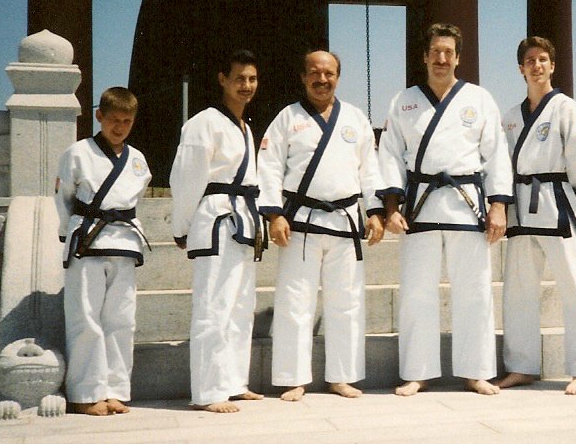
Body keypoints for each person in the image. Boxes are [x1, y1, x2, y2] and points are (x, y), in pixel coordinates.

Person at [377, 23, 512, 396]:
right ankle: (417, 372)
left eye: (448, 52)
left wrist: (498, 206)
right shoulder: (404, 101)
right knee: (416, 292)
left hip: (466, 205)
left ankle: (476, 371)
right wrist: (391, 207)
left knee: (474, 291)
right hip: (419, 207)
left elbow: (496, 155)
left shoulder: (479, 99)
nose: (441, 59)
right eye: (435, 52)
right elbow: (389, 156)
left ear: (458, 58)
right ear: (424, 56)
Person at [257, 51, 384, 402]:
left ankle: (342, 377)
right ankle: (293, 378)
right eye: (314, 73)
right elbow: (269, 167)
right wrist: (274, 215)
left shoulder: (355, 119)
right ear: (303, 77)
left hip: (345, 221)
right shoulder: (287, 118)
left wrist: (375, 211)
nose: (322, 79)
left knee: (347, 303)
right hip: (301, 222)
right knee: (295, 302)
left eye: (329, 73)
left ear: (338, 77)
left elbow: (369, 170)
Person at [497, 37, 576, 395]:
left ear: (552, 66)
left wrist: (568, 188)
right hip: (521, 206)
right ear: (521, 69)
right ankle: (521, 366)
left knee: (574, 286)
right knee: (518, 291)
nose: (537, 66)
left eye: (543, 59)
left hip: (555, 202)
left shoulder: (566, 107)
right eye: (530, 60)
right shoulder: (511, 117)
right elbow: (501, 162)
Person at [170, 49, 266, 412]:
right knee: (213, 306)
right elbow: (186, 178)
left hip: (243, 219)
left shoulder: (245, 127)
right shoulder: (203, 123)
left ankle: (234, 382)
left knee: (240, 306)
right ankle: (209, 391)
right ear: (222, 79)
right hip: (216, 220)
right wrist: (182, 226)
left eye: (252, 79)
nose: (246, 86)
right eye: (239, 78)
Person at [55, 87, 152, 416]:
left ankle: (115, 389)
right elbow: (64, 199)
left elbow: (134, 201)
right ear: (99, 116)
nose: (120, 127)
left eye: (127, 121)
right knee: (86, 318)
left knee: (121, 319)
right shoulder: (78, 153)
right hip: (87, 242)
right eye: (114, 120)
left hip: (124, 242)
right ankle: (85, 393)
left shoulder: (137, 159)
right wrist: (67, 233)